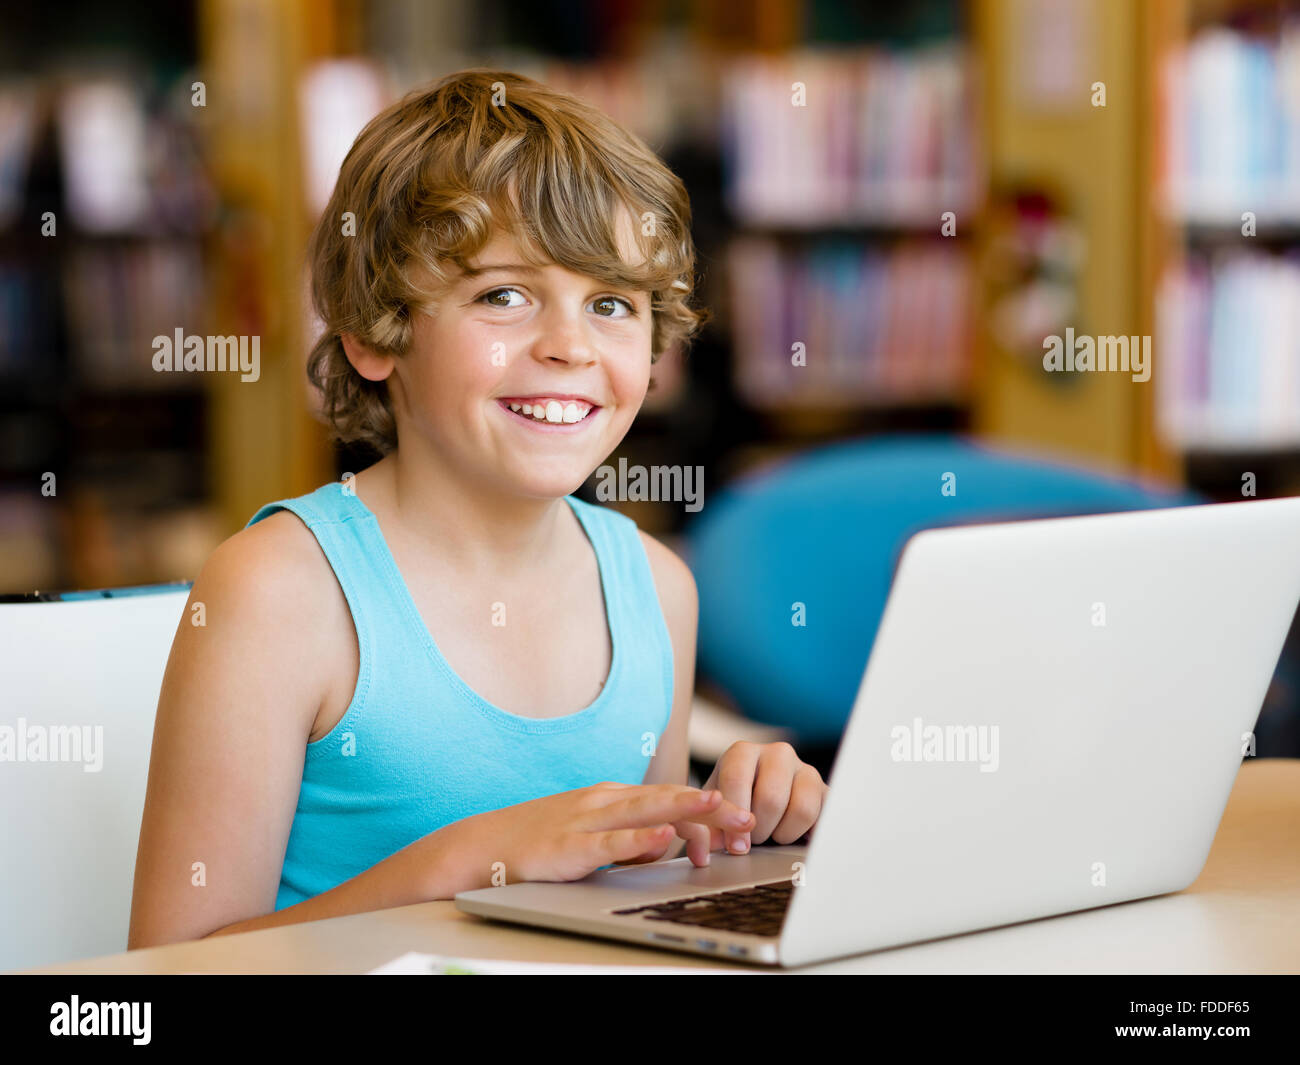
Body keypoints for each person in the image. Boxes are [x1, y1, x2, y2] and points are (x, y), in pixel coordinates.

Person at [128, 69, 827, 947]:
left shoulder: (657, 587)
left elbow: (627, 912)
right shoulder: (276, 591)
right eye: (504, 295)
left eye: (611, 303)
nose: (570, 347)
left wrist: (725, 824)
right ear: (374, 331)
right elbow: (167, 967)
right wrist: (469, 861)